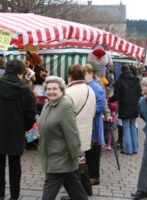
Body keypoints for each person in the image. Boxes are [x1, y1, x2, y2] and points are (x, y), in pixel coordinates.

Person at [38, 76, 88, 200]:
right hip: (49, 154)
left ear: (62, 90)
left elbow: (71, 132)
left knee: (49, 189)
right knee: (75, 189)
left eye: (54, 88)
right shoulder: (47, 105)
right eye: (48, 89)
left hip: (60, 155)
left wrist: (77, 154)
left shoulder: (65, 106)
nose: (51, 91)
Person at [0, 60, 36, 200]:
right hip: (16, 131)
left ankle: (1, 194)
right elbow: (31, 115)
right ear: (21, 73)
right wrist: (24, 127)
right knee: (15, 166)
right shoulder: (26, 91)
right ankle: (14, 196)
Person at [64, 65, 96, 197]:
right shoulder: (90, 90)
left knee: (73, 165)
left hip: (71, 134)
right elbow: (93, 113)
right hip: (85, 132)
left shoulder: (68, 93)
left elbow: (63, 117)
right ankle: (87, 190)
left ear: (70, 76)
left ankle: (76, 195)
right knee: (81, 161)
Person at [82, 64, 106, 186]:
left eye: (85, 73)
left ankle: (94, 177)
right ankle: (89, 175)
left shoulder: (96, 88)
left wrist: (87, 110)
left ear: (91, 74)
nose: (83, 76)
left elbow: (101, 106)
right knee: (87, 151)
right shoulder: (83, 87)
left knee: (93, 151)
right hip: (86, 124)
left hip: (94, 124)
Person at [110, 64, 141, 155]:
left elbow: (116, 96)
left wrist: (109, 99)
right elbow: (140, 93)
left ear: (121, 71)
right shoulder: (136, 80)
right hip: (134, 106)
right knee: (133, 127)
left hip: (124, 107)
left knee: (126, 128)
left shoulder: (120, 81)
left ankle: (128, 149)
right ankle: (134, 148)